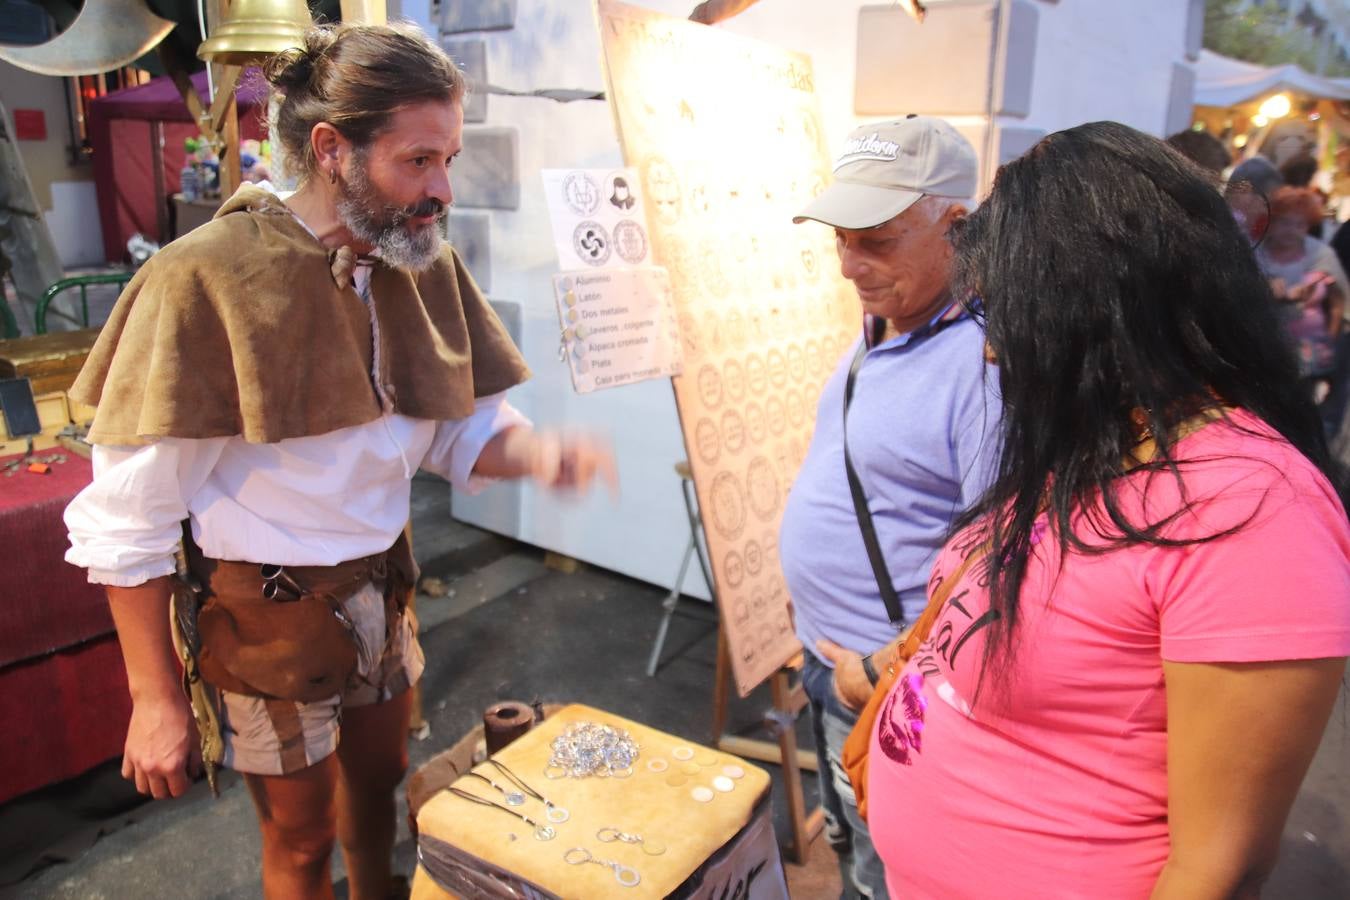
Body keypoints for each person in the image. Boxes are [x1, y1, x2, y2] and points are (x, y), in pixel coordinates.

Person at [63, 23, 616, 900]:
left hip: (379, 591)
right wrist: (156, 699)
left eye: (449, 159)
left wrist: (540, 453)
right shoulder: (207, 278)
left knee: (381, 788)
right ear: (331, 150)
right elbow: (128, 518)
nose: (441, 189)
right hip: (264, 615)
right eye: (417, 161)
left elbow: (459, 431)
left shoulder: (413, 261)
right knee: (301, 835)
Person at [865, 121, 1350, 898]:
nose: (994, 351)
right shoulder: (1094, 443)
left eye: (1008, 316)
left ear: (1101, 306)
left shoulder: (1254, 510)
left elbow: (1214, 869)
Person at [780, 116, 1001, 899]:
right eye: (841, 237)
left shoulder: (981, 367)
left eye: (874, 239)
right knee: (853, 858)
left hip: (888, 689)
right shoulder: (888, 326)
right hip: (838, 666)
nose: (849, 264)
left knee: (888, 881)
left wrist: (876, 668)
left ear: (957, 226)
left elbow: (995, 574)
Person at [1256, 186, 1347, 386]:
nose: (1291, 230)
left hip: (1310, 354)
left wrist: (1330, 339)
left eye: (1300, 225)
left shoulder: (1322, 255)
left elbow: (1338, 301)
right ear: (1271, 222)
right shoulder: (1254, 253)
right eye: (1285, 222)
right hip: (1260, 350)